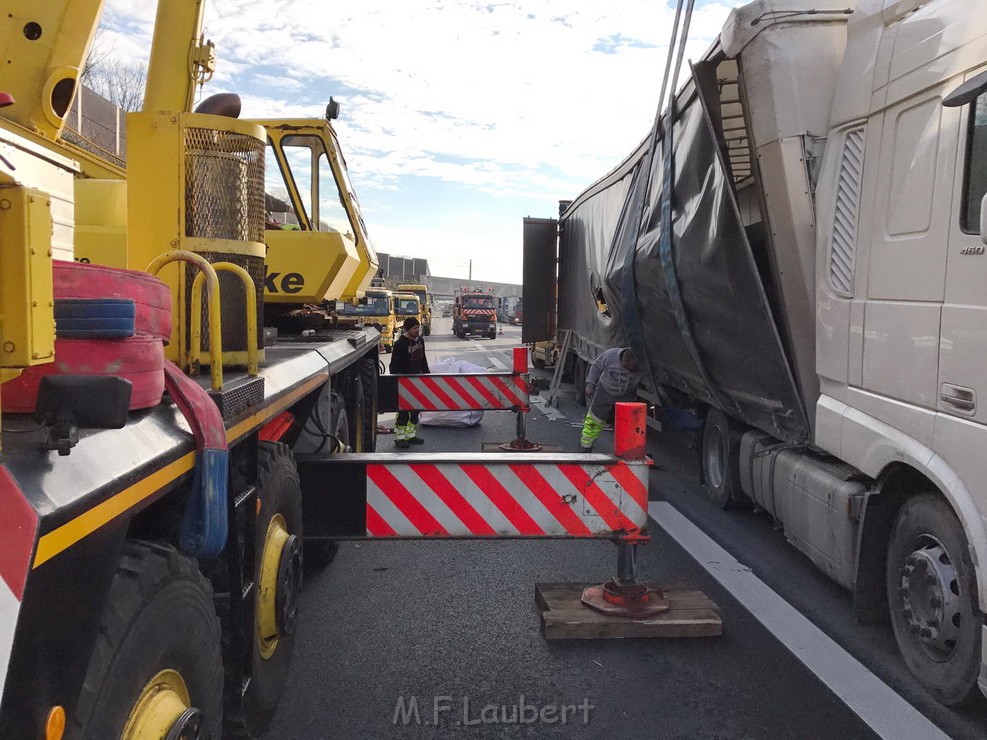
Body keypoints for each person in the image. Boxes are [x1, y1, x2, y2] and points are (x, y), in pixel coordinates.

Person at [579, 347, 641, 452]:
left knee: (628, 422)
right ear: (624, 361)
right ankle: (586, 445)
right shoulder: (611, 355)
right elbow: (596, 367)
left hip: (627, 393)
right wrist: (590, 385)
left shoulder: (642, 364)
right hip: (605, 389)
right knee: (595, 418)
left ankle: (626, 449)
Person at [389, 316, 430, 449]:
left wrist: (428, 375)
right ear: (408, 329)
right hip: (404, 381)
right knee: (403, 412)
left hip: (417, 380)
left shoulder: (420, 341)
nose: (417, 330)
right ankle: (400, 438)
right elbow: (393, 364)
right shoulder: (400, 344)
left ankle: (411, 435)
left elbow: (423, 360)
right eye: (415, 328)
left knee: (415, 410)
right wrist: (397, 378)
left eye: (418, 327)